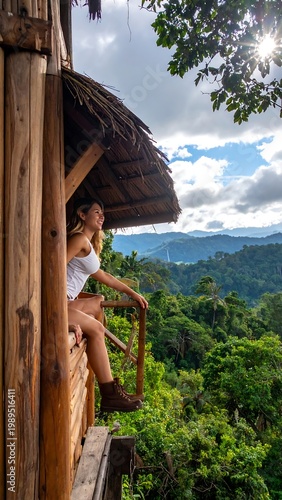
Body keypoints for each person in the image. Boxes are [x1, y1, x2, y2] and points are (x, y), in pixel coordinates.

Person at [67, 198, 148, 413]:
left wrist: (132, 293)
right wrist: (64, 317)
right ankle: (109, 393)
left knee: (97, 302)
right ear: (82, 215)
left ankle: (104, 372)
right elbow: (52, 269)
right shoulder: (77, 239)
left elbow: (105, 277)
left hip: (67, 302)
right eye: (96, 212)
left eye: (102, 212)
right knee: (97, 328)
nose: (101, 216)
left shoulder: (87, 244)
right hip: (56, 303)